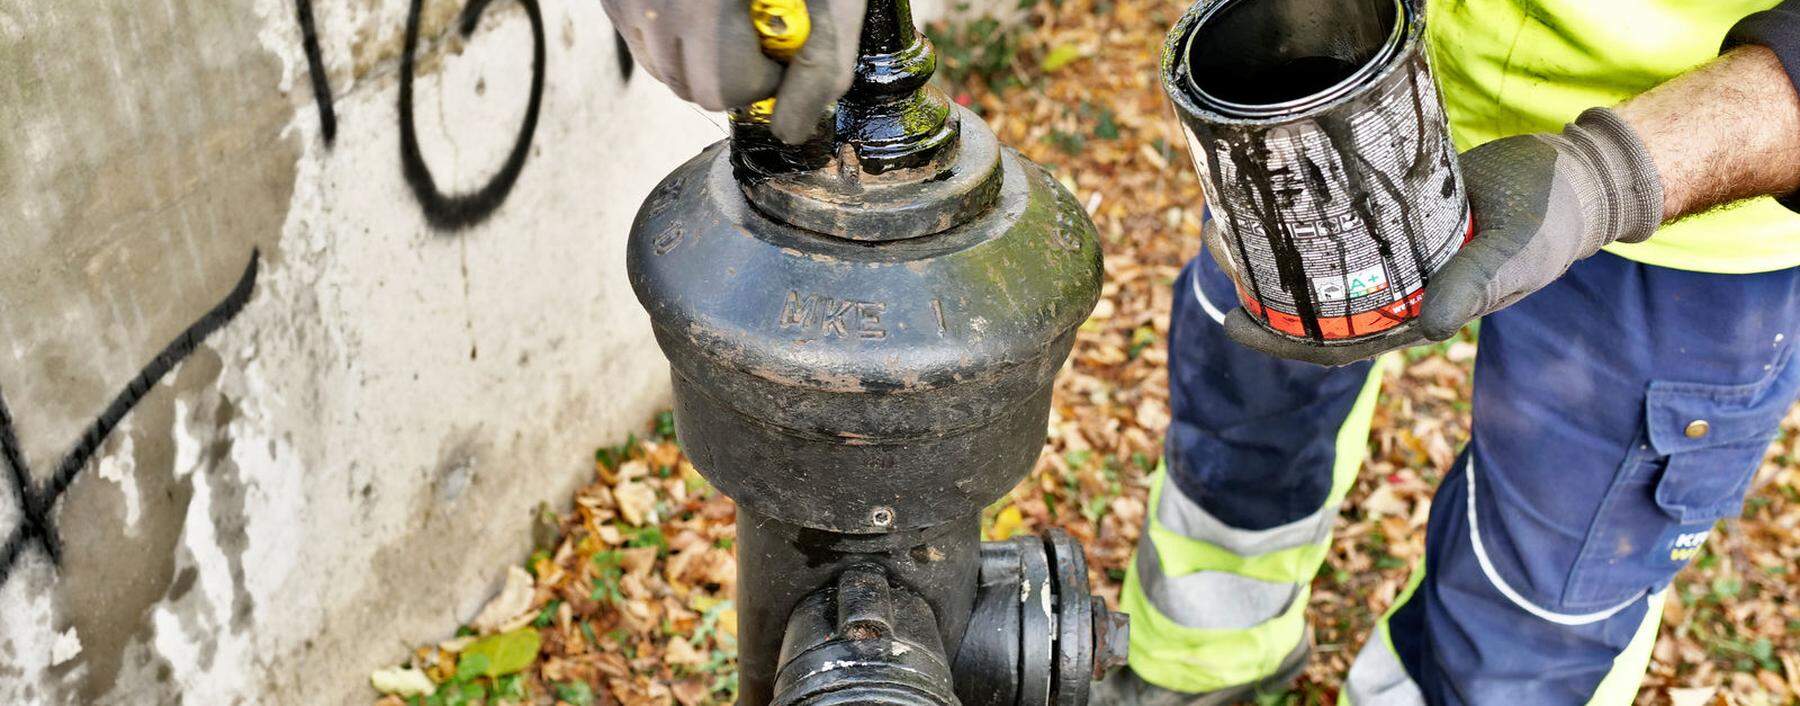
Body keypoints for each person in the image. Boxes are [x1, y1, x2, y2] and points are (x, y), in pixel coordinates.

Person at [601, 0, 1800, 702]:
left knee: (1546, 592)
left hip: (1686, 210)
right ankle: (1199, 663)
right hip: (1309, 107)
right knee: (1241, 427)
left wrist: (1616, 178)